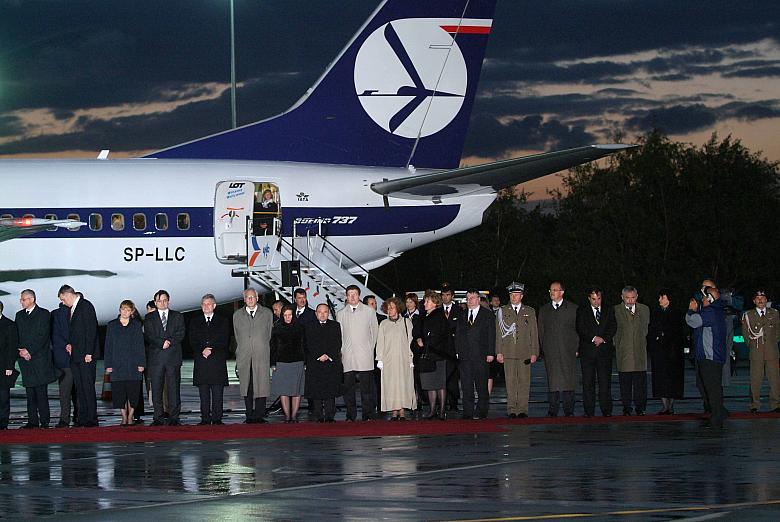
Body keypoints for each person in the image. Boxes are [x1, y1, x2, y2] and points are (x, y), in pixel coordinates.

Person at [686, 285, 728, 428]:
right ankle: (718, 413)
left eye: (704, 297)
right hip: (711, 356)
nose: (702, 299)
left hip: (710, 357)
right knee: (711, 387)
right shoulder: (715, 311)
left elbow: (692, 321)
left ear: (709, 299)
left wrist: (691, 310)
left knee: (712, 388)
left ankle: (717, 417)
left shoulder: (711, 312)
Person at [58, 285, 99, 427]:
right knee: (80, 388)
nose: (63, 303)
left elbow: (91, 330)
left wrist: (89, 352)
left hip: (85, 356)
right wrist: (70, 343)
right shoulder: (72, 309)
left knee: (87, 387)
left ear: (68, 295)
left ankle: (92, 419)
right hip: (76, 355)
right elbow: (77, 332)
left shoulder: (85, 306)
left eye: (63, 299)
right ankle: (82, 417)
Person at [496, 282, 539, 418]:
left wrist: (534, 352)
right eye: (512, 294)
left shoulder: (530, 311)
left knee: (524, 381)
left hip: (524, 352)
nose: (514, 297)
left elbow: (534, 333)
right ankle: (512, 409)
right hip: (508, 351)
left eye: (517, 294)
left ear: (521, 296)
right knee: (510, 381)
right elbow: (498, 334)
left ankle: (522, 409)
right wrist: (498, 351)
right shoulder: (502, 310)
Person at [144, 289, 186, 426]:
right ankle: (158, 417)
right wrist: (161, 342)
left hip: (173, 358)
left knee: (174, 388)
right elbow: (149, 335)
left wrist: (170, 342)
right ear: (155, 302)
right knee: (156, 388)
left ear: (168, 301)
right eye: (159, 301)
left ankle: (174, 417)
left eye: (165, 300)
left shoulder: (177, 316)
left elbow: (181, 333)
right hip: (156, 359)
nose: (162, 303)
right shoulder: (149, 318)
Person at [16, 289, 56, 429]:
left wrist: (29, 350)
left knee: (41, 391)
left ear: (32, 299)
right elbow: (18, 336)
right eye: (21, 299)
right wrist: (21, 351)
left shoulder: (44, 314)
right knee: (30, 392)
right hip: (25, 360)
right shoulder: (19, 315)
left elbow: (43, 335)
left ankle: (44, 421)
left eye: (24, 299)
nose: (21, 301)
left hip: (39, 359)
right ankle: (32, 421)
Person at [337, 285, 379, 421]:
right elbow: (340, 335)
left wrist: (369, 348)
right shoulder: (341, 313)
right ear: (346, 296)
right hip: (348, 356)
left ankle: (367, 414)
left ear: (359, 295)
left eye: (355, 294)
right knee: (348, 389)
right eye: (350, 294)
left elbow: (375, 332)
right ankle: (351, 415)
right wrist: (343, 350)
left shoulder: (369, 312)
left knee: (366, 389)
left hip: (364, 355)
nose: (352, 297)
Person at [538, 282, 578, 417]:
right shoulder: (544, 310)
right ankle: (553, 409)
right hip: (551, 350)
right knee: (553, 380)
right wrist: (543, 348)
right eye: (550, 290)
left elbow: (578, 329)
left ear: (562, 292)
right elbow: (541, 331)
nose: (552, 292)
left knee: (569, 379)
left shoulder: (573, 309)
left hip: (568, 350)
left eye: (555, 290)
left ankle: (569, 409)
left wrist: (577, 347)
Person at [233, 288, 273, 423]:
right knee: (247, 385)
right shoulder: (237, 315)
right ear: (244, 299)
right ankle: (249, 414)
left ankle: (260, 414)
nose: (250, 299)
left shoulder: (267, 313)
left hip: (261, 355)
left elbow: (269, 334)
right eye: (247, 297)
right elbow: (237, 336)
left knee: (262, 384)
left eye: (253, 297)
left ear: (257, 298)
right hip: (244, 355)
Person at [575, 287, 616, 418]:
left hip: (604, 351)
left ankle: (606, 410)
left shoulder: (609, 309)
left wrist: (603, 338)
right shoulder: (582, 310)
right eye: (593, 299)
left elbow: (613, 326)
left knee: (605, 382)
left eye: (598, 299)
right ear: (589, 299)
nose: (596, 302)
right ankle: (589, 411)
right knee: (588, 382)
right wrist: (593, 338)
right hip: (588, 352)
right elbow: (580, 327)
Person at [189, 294, 230, 425]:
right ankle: (205, 418)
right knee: (204, 392)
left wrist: (210, 349)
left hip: (217, 361)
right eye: (204, 304)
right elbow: (192, 340)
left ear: (214, 306)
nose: (206, 306)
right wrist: (202, 349)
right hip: (202, 361)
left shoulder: (223, 321)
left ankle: (217, 418)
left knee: (218, 392)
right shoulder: (195, 322)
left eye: (208, 304)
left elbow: (224, 340)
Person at [455, 289, 496, 419]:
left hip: (481, 355)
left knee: (481, 386)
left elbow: (491, 335)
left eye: (473, 297)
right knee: (466, 386)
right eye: (468, 298)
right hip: (465, 356)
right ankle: (468, 412)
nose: (470, 300)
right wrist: (457, 351)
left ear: (478, 299)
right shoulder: (462, 314)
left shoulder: (487, 315)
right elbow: (458, 335)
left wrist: (491, 353)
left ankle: (482, 411)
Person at [104, 300, 146, 427]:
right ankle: (123, 416)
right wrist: (108, 365)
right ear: (119, 310)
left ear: (132, 312)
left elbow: (140, 346)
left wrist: (141, 363)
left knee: (133, 391)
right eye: (123, 309)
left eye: (128, 310)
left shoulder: (136, 325)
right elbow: (108, 346)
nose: (125, 312)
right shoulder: (112, 325)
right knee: (119, 392)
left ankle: (131, 415)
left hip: (133, 364)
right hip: (117, 364)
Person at [376, 297, 416, 420]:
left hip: (403, 359)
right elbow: (380, 342)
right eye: (388, 308)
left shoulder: (406, 322)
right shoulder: (383, 324)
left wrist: (411, 359)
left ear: (398, 308)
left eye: (392, 308)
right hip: (388, 360)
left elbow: (410, 341)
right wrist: (380, 359)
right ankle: (394, 411)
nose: (389, 310)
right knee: (390, 385)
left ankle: (402, 411)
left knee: (403, 384)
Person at [613, 286, 650, 416]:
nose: (630, 300)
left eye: (633, 297)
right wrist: (618, 344)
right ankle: (626, 408)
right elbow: (613, 331)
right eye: (627, 298)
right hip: (624, 352)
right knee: (625, 382)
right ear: (622, 297)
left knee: (640, 382)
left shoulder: (645, 310)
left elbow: (646, 329)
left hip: (640, 351)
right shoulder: (616, 310)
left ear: (637, 296)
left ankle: (641, 408)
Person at [647, 290, 685, 414]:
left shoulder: (676, 312)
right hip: (659, 351)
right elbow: (652, 329)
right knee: (660, 378)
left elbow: (678, 331)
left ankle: (671, 404)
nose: (659, 300)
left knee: (672, 378)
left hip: (673, 352)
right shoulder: (656, 312)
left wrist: (664, 334)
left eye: (662, 297)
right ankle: (664, 405)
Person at [742, 289, 779, 413]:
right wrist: (753, 346)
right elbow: (746, 335)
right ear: (754, 301)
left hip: (772, 351)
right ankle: (754, 404)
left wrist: (772, 344)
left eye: (763, 298)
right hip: (756, 351)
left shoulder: (774, 314)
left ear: (766, 300)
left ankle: (775, 404)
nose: (760, 300)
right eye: (757, 298)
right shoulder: (748, 315)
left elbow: (778, 332)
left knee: (774, 379)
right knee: (755, 379)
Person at [304, 304, 342, 422]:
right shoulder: (309, 326)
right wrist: (318, 355)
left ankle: (330, 415)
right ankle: (318, 415)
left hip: (331, 362)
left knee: (330, 390)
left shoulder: (335, 326)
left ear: (328, 313)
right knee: (316, 390)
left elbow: (338, 343)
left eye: (325, 312)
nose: (322, 314)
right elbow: (308, 343)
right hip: (315, 363)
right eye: (320, 312)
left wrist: (328, 355)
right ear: (316, 313)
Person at [416, 292, 449, 419]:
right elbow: (417, 330)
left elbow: (442, 335)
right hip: (426, 354)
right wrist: (419, 338)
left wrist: (428, 341)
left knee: (439, 383)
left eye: (427, 301)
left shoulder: (440, 316)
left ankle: (441, 411)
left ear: (435, 303)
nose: (424, 304)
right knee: (430, 383)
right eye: (424, 301)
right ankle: (432, 410)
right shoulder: (423, 316)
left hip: (438, 354)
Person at [271, 305, 306, 422]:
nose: (287, 317)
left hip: (297, 362)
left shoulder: (300, 327)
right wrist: (273, 363)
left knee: (297, 391)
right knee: (283, 390)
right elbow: (273, 347)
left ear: (293, 315)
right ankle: (287, 416)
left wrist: (305, 362)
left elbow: (304, 345)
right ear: (282, 316)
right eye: (285, 315)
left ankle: (294, 416)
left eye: (289, 315)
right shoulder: (277, 328)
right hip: (281, 363)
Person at [51, 301, 77, 428]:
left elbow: (53, 337)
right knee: (79, 391)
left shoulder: (55, 315)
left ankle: (64, 419)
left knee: (64, 393)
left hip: (62, 359)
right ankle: (79, 415)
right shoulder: (75, 313)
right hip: (75, 359)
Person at [440, 285, 460, 412]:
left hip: (453, 349)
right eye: (443, 295)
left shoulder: (459, 310)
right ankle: (440, 403)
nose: (445, 297)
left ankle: (453, 403)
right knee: (440, 377)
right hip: (440, 349)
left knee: (453, 377)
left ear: (452, 296)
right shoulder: (436, 310)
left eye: (447, 295)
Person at [0, 301, 19, 430]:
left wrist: (9, 366)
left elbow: (12, 348)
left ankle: (2, 423)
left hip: (3, 366)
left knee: (3, 396)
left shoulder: (9, 325)